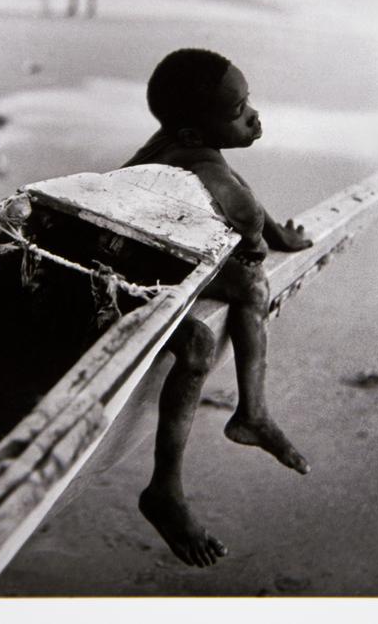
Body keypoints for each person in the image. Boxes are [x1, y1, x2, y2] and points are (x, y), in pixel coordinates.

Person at [121, 48, 313, 568]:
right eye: (238, 112)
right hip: (121, 276)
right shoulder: (193, 160)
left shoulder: (188, 144)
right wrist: (258, 235)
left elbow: (244, 207)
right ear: (192, 134)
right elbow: (243, 216)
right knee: (199, 345)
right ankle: (164, 489)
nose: (253, 116)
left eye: (248, 103)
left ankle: (252, 413)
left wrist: (278, 236)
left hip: (159, 256)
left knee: (251, 285)